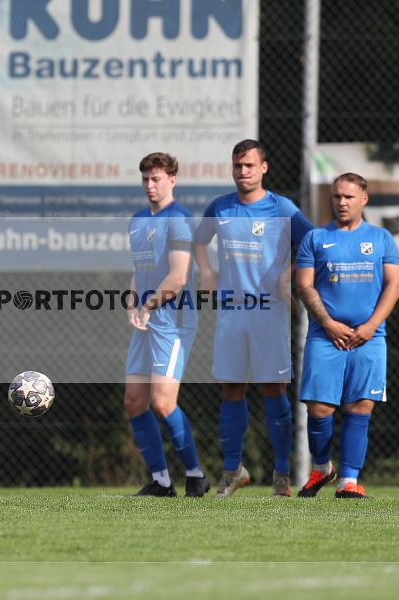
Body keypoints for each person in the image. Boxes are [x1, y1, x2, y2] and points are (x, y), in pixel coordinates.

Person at [193, 139, 315, 498]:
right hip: (231, 312)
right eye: (237, 165)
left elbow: (315, 242)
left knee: (272, 389)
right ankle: (233, 471)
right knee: (231, 389)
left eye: (248, 165)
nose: (242, 172)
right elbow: (199, 241)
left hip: (269, 313)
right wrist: (207, 272)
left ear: (264, 168)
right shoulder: (221, 207)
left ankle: (281, 475)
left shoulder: (282, 208)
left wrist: (289, 273)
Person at [295, 173, 399, 498]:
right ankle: (323, 467)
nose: (342, 202)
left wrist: (371, 326)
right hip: (325, 335)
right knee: (319, 409)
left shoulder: (382, 238)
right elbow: (304, 285)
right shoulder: (315, 238)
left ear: (363, 200)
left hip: (369, 338)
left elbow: (394, 285)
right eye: (337, 197)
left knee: (360, 407)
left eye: (349, 197)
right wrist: (327, 322)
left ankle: (349, 481)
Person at [125, 152, 209, 497]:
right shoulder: (138, 219)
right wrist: (132, 302)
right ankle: (161, 481)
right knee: (134, 402)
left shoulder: (179, 218)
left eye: (156, 178)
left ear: (172, 180)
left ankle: (195, 475)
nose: (150, 184)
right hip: (146, 320)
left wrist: (147, 304)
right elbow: (138, 269)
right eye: (145, 178)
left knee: (162, 402)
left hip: (172, 322)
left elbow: (177, 277)